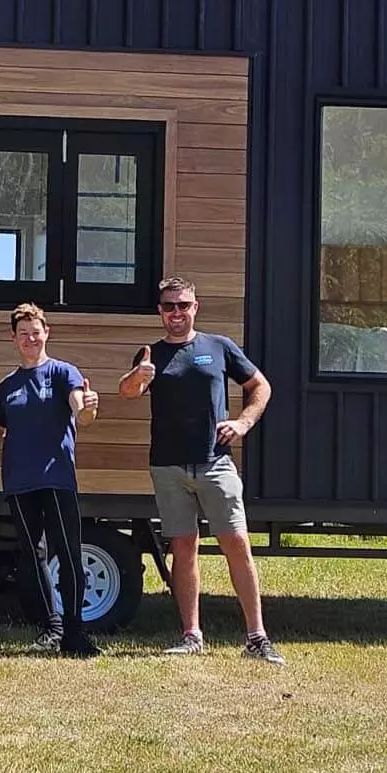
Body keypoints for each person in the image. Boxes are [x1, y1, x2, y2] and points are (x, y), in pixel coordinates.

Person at [118, 277, 284, 664]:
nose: (176, 312)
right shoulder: (151, 353)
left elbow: (260, 386)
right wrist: (137, 378)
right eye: (168, 306)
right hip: (168, 466)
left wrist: (243, 423)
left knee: (237, 544)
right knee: (183, 547)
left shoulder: (219, 347)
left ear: (196, 307)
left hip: (215, 462)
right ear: (160, 311)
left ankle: (257, 638)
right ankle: (192, 635)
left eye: (183, 305)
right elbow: (127, 392)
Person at [0, 302, 102, 659]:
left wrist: (88, 407)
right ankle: (50, 628)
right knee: (32, 555)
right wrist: (8, 441)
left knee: (66, 553)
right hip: (19, 482)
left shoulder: (64, 373)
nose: (30, 339)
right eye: (23, 334)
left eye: (36, 332)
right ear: (13, 338)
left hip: (56, 480)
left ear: (46, 333)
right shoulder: (7, 385)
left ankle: (74, 632)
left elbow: (81, 414)